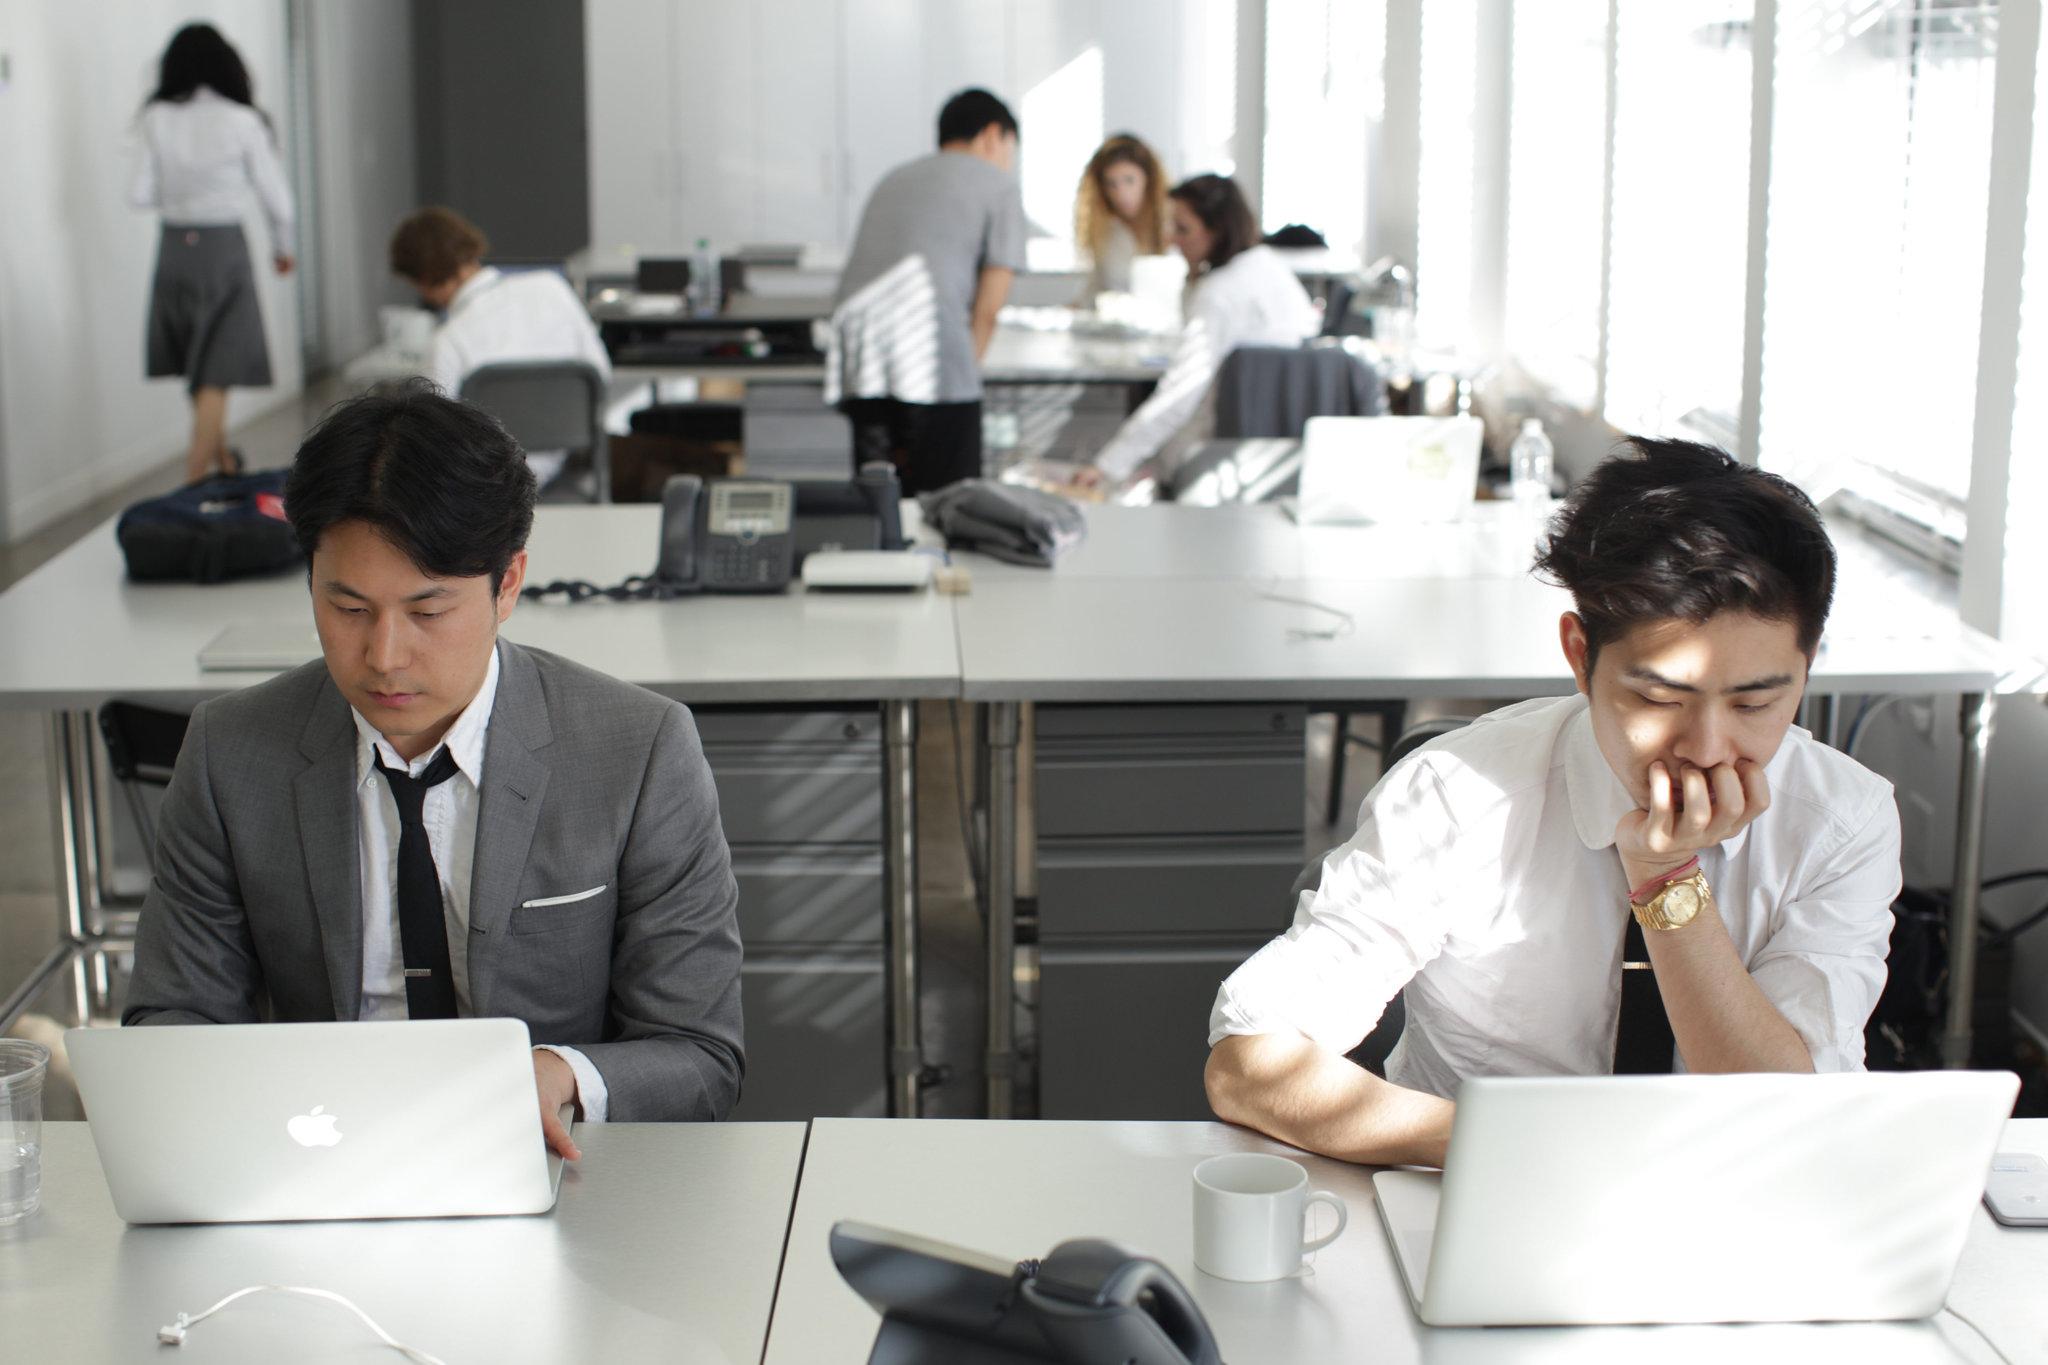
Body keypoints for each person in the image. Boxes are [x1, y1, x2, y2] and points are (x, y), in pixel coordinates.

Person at [1204, 439, 1900, 1168]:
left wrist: (1666, 878)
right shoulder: (1458, 795)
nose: (1706, 744)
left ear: (1807, 667)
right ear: (1579, 654)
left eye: (1757, 700)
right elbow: (1248, 1063)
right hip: (1467, 1190)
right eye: (1659, 696)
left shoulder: (1842, 823)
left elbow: (1787, 1119)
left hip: (1729, 1200)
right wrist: (1525, 1149)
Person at [124, 381, 745, 1158]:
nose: (384, 656)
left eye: (428, 611)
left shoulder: (640, 750)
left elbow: (701, 1055)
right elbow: (171, 1019)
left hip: (553, 1169)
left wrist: (558, 1073)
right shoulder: (229, 751)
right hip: (316, 1159)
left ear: (507, 583)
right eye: (347, 608)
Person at [827, 88, 1027, 494]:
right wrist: (965, 375)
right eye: (1011, 148)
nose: (1009, 161)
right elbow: (988, 307)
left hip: (860, 356)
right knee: (948, 503)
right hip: (929, 358)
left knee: (880, 499)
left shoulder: (896, 177)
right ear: (993, 134)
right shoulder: (999, 186)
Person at [130, 23, 295, 486]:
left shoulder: (157, 116)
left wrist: (180, 189)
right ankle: (194, 483)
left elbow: (138, 194)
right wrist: (283, 249)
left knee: (198, 365)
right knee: (216, 371)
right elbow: (278, 200)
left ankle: (222, 461)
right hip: (223, 247)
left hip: (173, 249)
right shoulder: (242, 121)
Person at [1082, 175, 1318, 489]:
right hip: (1282, 451)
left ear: (1217, 231)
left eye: (1183, 229)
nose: (1172, 240)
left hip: (1220, 454)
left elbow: (1180, 393)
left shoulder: (1220, 293)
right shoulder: (1267, 266)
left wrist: (1108, 465)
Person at [388, 207, 612, 489]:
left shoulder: (447, 341)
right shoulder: (551, 289)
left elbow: (434, 436)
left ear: (423, 282)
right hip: (565, 473)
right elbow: (600, 374)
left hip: (490, 489)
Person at [1073, 133, 1170, 298]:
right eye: (1111, 184)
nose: (1121, 194)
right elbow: (1094, 291)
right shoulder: (1108, 233)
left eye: (1129, 180)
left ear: (1148, 179)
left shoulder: (1173, 225)